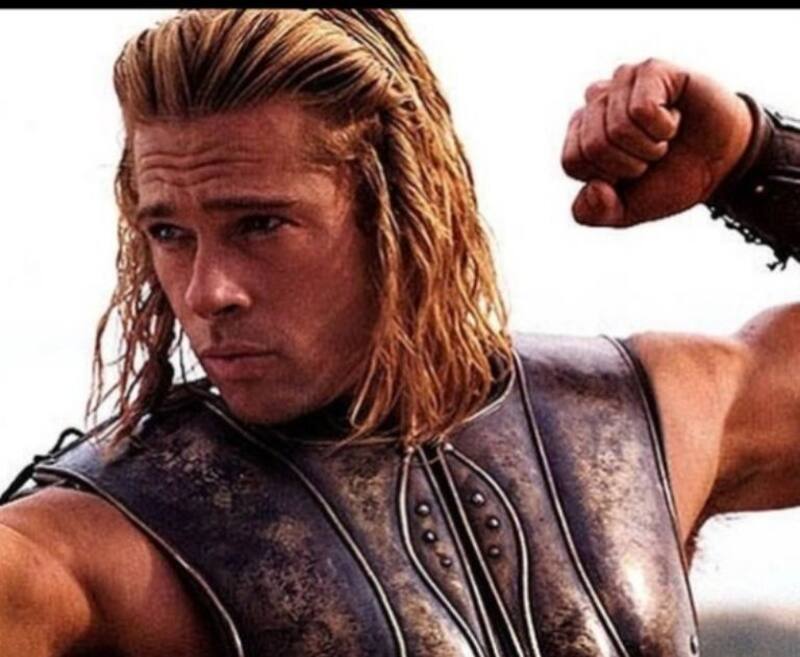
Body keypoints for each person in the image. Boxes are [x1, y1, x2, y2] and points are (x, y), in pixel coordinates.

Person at [0, 8, 798, 657]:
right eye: (170, 233)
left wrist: (750, 156)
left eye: (261, 224)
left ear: (401, 209)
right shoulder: (95, 545)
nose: (209, 291)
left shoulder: (632, 420)